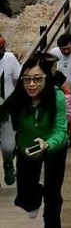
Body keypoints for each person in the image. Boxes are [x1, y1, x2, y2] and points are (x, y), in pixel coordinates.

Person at [0, 54, 68, 226]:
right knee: (26, 199)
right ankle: (35, 194)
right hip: (27, 149)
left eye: (37, 79)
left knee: (53, 195)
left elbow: (61, 130)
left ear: (46, 78)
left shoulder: (56, 96)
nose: (31, 84)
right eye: (27, 79)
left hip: (54, 149)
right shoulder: (18, 98)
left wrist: (49, 144)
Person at [0, 35, 21, 186]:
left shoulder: (9, 59)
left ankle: (8, 163)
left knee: (8, 147)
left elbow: (18, 80)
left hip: (6, 110)